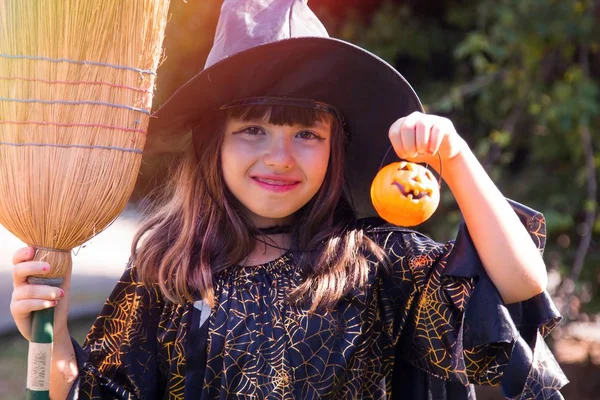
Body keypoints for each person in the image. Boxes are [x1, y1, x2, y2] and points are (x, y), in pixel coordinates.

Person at [10, 1, 567, 399]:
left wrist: (456, 159)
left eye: (307, 135)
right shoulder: (169, 263)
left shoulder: (376, 261)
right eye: (253, 131)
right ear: (214, 146)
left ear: (336, 150)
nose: (280, 158)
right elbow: (93, 391)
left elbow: (520, 284)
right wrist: (52, 330)